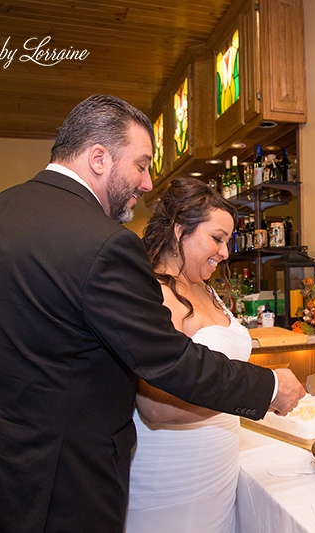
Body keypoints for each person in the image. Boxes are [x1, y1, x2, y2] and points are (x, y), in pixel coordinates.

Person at [0, 95, 304, 533]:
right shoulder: (102, 244)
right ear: (99, 157)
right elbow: (168, 360)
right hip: (55, 486)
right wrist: (267, 385)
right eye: (140, 165)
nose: (146, 183)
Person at [125, 178, 248, 532]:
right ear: (180, 231)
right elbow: (156, 406)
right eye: (217, 238)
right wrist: (255, 394)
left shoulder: (206, 289)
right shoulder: (155, 293)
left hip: (217, 471)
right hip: (173, 473)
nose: (225, 253)